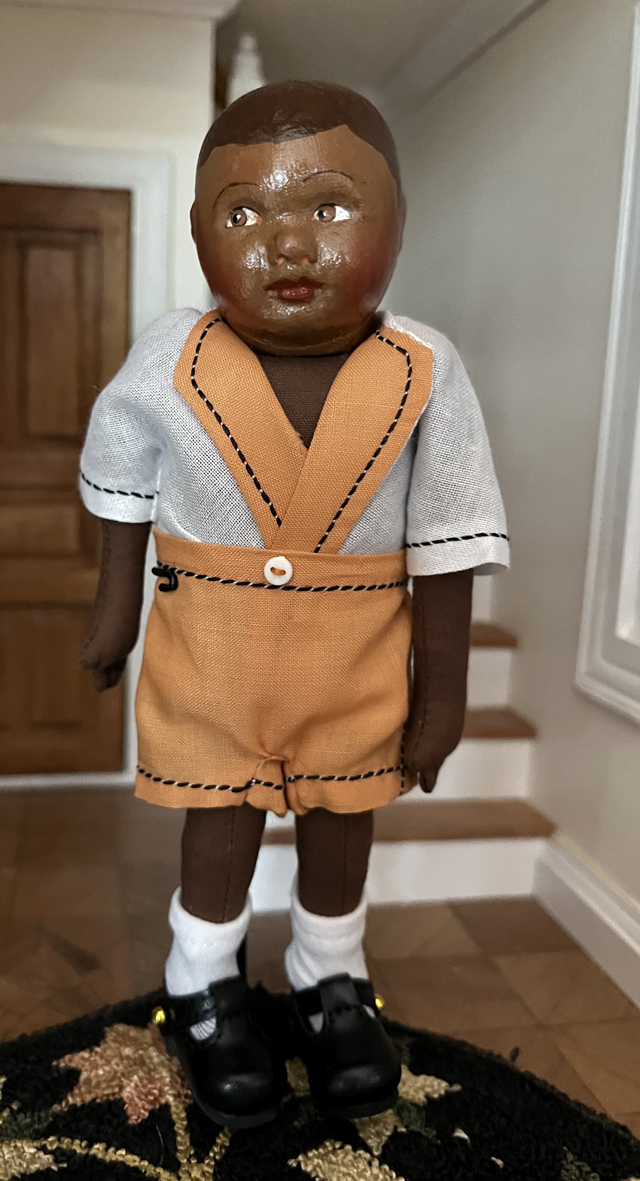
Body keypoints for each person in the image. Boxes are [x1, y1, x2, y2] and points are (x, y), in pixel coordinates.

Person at [79, 80, 509, 1129]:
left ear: (397, 219)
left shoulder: (423, 370)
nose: (285, 242)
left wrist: (442, 691)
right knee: (217, 817)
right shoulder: (171, 357)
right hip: (211, 659)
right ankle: (201, 979)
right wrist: (114, 614)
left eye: (329, 205)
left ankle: (330, 973)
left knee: (342, 816)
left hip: (353, 662)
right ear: (198, 234)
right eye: (243, 213)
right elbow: (125, 483)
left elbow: (445, 539)